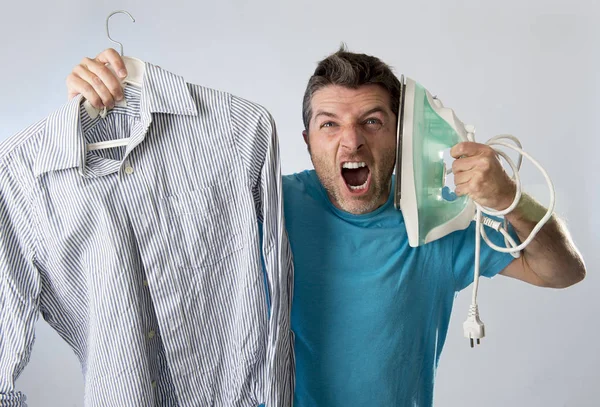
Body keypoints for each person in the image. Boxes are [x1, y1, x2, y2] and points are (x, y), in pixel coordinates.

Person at [65, 46, 585, 406]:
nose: (352, 142)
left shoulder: (438, 223)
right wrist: (103, 103)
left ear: (402, 137)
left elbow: (562, 271)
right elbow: (143, 204)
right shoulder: (265, 203)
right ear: (308, 139)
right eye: (330, 124)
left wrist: (512, 200)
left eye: (372, 122)